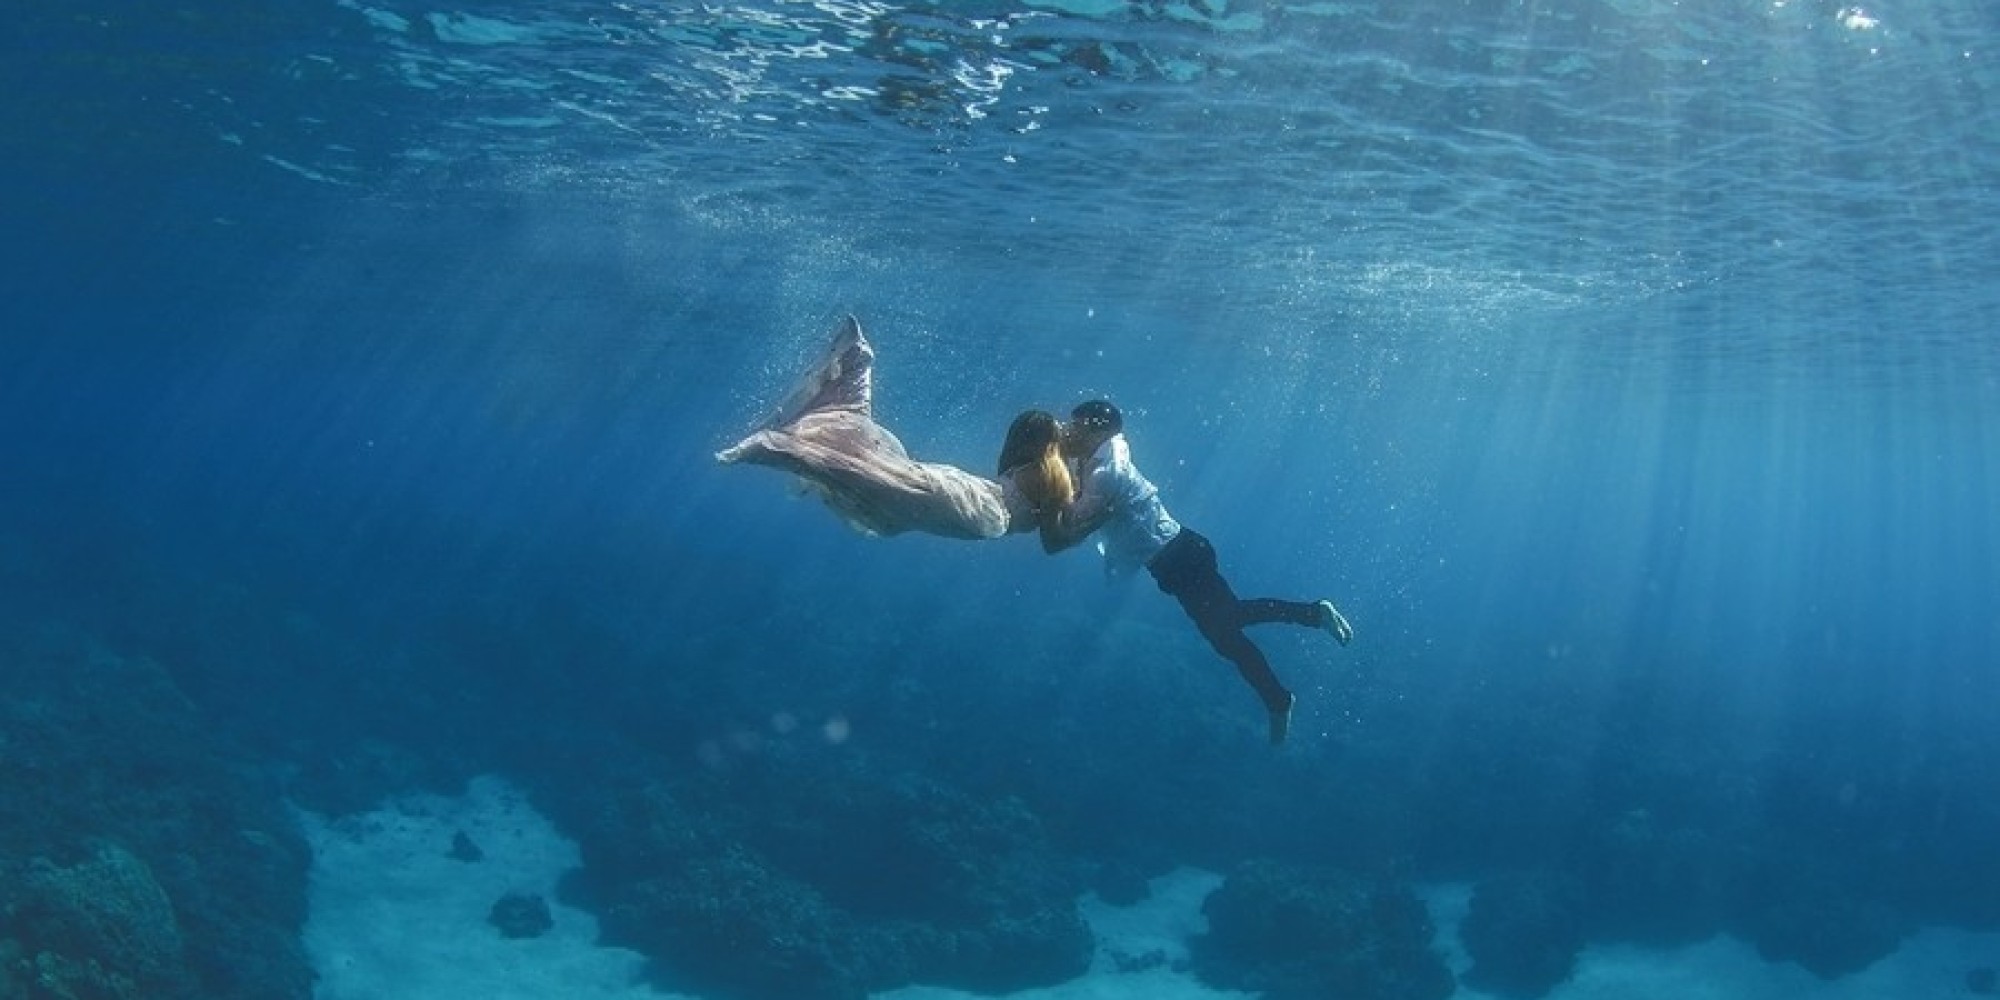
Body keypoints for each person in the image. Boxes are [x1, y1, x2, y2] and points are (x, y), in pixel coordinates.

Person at [1036, 400, 1354, 745]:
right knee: (1230, 627)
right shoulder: (1107, 451)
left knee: (1227, 632)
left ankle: (1283, 688)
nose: (1071, 430)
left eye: (1078, 425)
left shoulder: (1104, 473)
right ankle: (1303, 636)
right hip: (1180, 556)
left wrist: (1047, 494)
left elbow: (1074, 519)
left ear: (1098, 431)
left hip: (1180, 558)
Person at [717, 316, 1071, 540]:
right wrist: (1091, 514)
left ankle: (854, 370)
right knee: (882, 483)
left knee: (885, 481)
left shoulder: (1029, 467)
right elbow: (1054, 541)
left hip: (972, 493)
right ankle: (775, 449)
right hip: (980, 511)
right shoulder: (1053, 476)